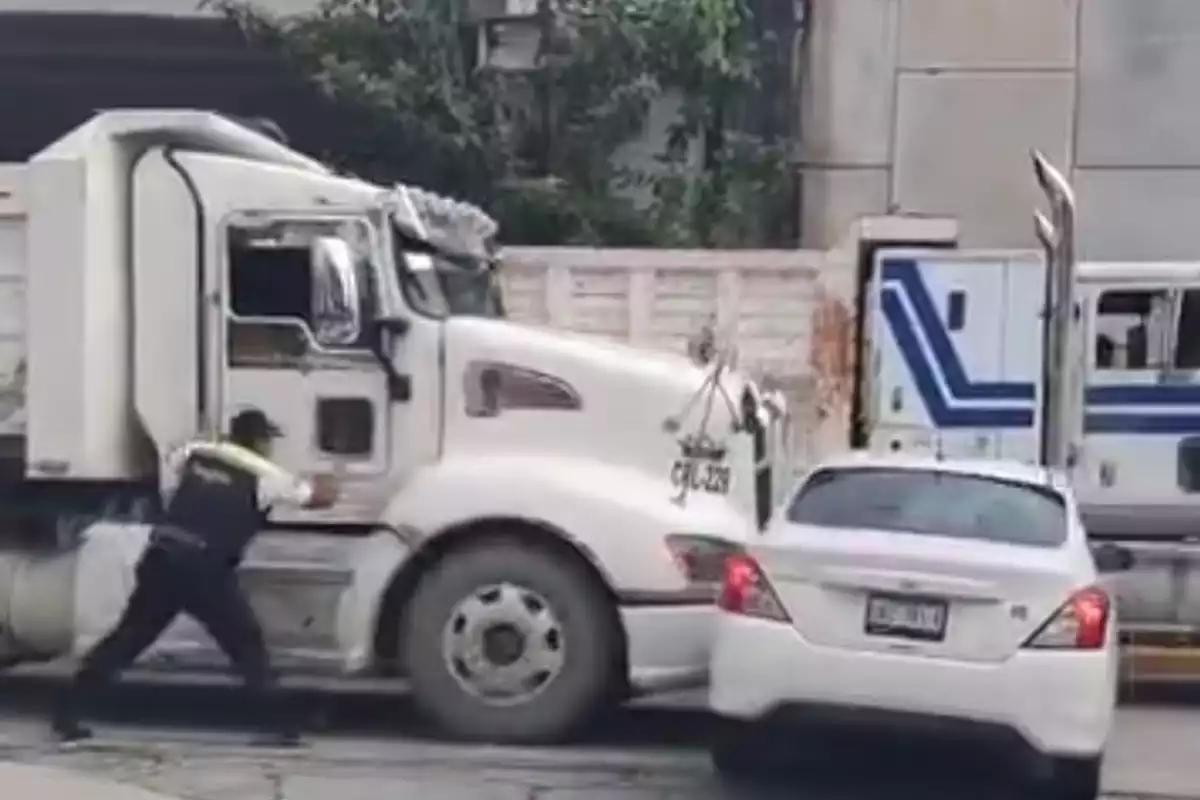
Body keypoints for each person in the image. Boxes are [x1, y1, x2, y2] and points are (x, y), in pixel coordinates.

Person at [52, 409, 339, 745]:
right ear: (260, 441)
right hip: (205, 569)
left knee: (126, 641)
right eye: (269, 440)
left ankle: (67, 714)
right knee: (246, 645)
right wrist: (330, 481)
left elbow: (176, 464)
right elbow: (319, 499)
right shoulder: (265, 474)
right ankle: (282, 729)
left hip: (161, 559)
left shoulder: (197, 453)